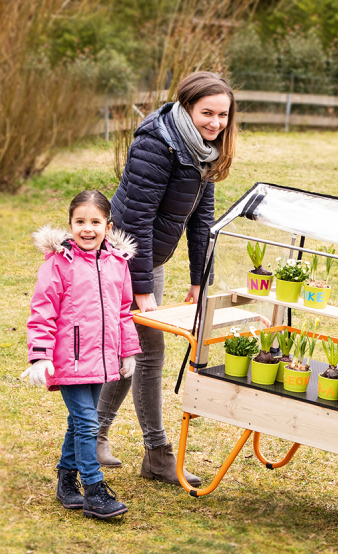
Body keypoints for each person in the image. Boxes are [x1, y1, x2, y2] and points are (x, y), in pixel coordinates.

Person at [96, 71, 238, 487]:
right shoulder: (156, 144)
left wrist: (198, 278)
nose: (214, 123)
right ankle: (156, 454)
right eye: (206, 113)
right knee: (148, 352)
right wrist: (141, 289)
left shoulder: (204, 150)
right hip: (121, 258)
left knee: (137, 351)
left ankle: (96, 435)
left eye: (223, 115)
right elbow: (135, 220)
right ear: (186, 107)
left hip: (148, 259)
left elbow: (201, 218)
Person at [21, 190, 141, 519]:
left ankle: (65, 481)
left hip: (101, 360)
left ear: (108, 225)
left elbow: (123, 311)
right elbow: (41, 313)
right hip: (69, 361)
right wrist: (41, 356)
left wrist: (127, 350)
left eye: (95, 222)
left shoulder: (117, 264)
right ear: (70, 224)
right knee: (89, 423)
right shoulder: (59, 265)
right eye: (79, 221)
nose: (87, 229)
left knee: (79, 424)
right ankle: (94, 489)